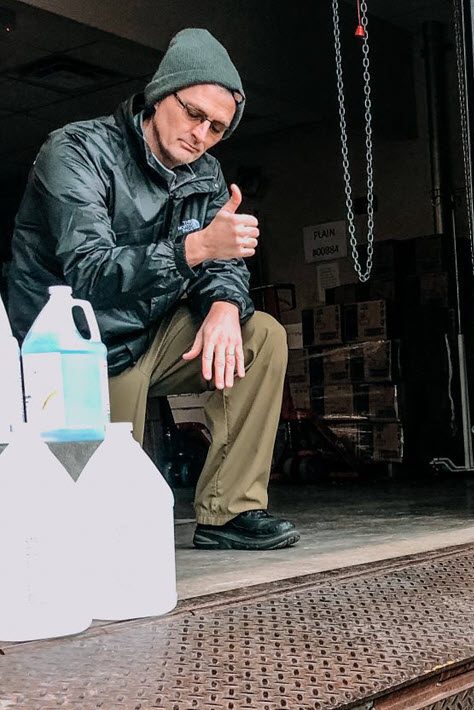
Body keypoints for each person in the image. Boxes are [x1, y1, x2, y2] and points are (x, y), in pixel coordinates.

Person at [8, 28, 298, 550]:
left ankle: (228, 513)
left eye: (216, 128)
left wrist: (225, 306)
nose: (201, 135)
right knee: (102, 530)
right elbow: (90, 273)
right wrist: (197, 248)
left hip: (154, 331)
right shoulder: (76, 151)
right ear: (162, 93)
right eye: (193, 114)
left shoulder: (205, 172)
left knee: (263, 336)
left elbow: (222, 259)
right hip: (78, 348)